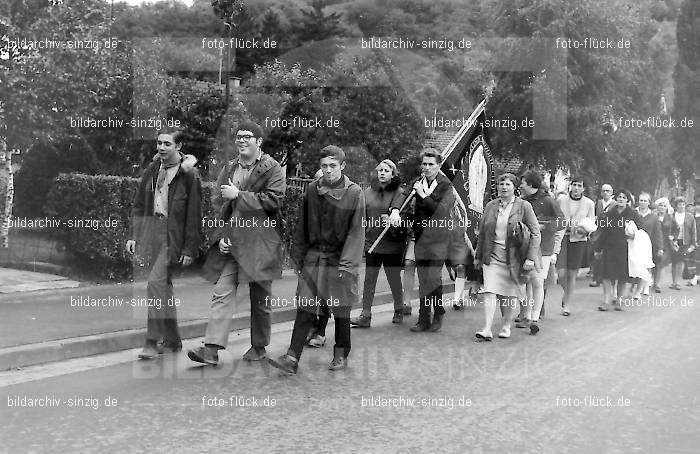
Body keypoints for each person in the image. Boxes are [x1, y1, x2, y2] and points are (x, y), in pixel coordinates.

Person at [188, 121, 285, 365]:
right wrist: (221, 236)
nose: (241, 140)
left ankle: (259, 346)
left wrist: (239, 195)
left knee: (260, 299)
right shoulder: (230, 168)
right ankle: (211, 349)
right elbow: (220, 205)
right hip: (232, 243)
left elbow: (273, 201)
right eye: (238, 136)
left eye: (247, 136)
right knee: (221, 292)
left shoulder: (272, 169)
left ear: (259, 142)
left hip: (260, 244)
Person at [268, 145, 365, 374]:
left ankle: (340, 354)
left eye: (333, 166)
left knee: (341, 309)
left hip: (340, 257)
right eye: (324, 166)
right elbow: (302, 225)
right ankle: (292, 358)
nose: (328, 170)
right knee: (305, 307)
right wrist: (298, 259)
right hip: (314, 257)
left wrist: (348, 265)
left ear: (342, 166)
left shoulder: (354, 193)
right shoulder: (312, 189)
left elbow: (356, 231)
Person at [127, 128, 203, 360]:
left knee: (154, 283)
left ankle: (152, 341)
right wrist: (133, 235)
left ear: (178, 147)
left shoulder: (190, 175)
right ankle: (172, 340)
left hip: (174, 237)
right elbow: (139, 205)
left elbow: (194, 215)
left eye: (167, 144)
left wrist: (190, 248)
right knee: (163, 287)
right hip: (153, 233)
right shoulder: (152, 170)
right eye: (159, 143)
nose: (161, 147)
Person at [390, 149, 455, 333]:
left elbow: (441, 211)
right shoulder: (417, 182)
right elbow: (402, 196)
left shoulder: (446, 185)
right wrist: (395, 210)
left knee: (433, 278)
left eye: (431, 165)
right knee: (424, 279)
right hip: (420, 237)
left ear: (439, 166)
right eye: (424, 164)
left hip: (439, 238)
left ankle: (439, 311)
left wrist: (424, 196)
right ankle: (424, 318)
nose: (426, 168)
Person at [474, 173, 541, 341]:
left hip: (514, 257)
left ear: (514, 187)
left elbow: (535, 233)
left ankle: (505, 325)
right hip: (492, 255)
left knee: (509, 294)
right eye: (501, 184)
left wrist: (530, 258)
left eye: (508, 184)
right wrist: (478, 255)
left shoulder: (523, 206)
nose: (504, 187)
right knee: (489, 290)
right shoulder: (490, 206)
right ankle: (487, 328)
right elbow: (482, 233)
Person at [351, 159, 407, 327]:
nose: (382, 173)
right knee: (369, 280)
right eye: (380, 170)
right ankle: (365, 315)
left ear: (393, 174)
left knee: (394, 279)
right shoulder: (367, 192)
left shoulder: (399, 192)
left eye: (386, 170)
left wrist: (392, 218)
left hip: (391, 244)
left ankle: (398, 308)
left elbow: (402, 214)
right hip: (372, 243)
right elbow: (362, 215)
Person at [516, 171, 565, 335]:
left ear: (531, 185)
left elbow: (562, 221)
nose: (520, 185)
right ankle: (527, 314)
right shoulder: (522, 202)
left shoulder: (548, 201)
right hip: (525, 246)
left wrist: (544, 227)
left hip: (543, 248)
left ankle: (534, 317)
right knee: (526, 282)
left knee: (537, 282)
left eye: (523, 183)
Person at [594, 189, 639, 311]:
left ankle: (619, 300)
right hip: (609, 248)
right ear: (616, 199)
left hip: (625, 249)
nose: (621, 199)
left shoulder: (633, 215)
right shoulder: (609, 214)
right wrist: (598, 249)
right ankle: (606, 301)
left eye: (624, 197)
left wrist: (634, 235)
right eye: (619, 197)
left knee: (622, 277)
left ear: (628, 200)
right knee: (606, 276)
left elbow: (640, 232)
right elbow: (603, 232)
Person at [556, 176, 595, 316]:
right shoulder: (561, 200)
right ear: (570, 186)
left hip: (578, 240)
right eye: (574, 185)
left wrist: (584, 230)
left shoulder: (589, 203)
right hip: (561, 238)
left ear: (583, 188)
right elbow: (555, 216)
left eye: (579, 185)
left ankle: (567, 303)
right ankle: (566, 292)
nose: (576, 188)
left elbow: (592, 223)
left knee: (572, 273)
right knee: (561, 273)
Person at [631, 192, 663, 299]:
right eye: (641, 200)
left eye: (645, 201)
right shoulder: (633, 213)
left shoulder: (653, 217)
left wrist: (660, 248)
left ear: (649, 203)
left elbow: (658, 233)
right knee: (633, 266)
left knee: (644, 266)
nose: (643, 202)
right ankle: (633, 286)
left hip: (646, 246)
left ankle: (639, 291)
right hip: (632, 244)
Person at [589, 184, 615, 287]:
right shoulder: (598, 203)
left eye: (608, 191)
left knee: (608, 256)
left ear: (611, 192)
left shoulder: (615, 204)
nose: (605, 193)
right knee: (597, 255)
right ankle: (596, 278)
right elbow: (594, 216)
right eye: (603, 191)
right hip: (598, 232)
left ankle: (607, 278)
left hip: (610, 232)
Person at [670, 197, 697, 290]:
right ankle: (673, 282)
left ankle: (678, 282)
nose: (681, 206)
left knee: (681, 261)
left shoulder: (690, 216)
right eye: (679, 204)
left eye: (683, 204)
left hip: (685, 242)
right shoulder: (672, 216)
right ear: (676, 206)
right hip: (674, 241)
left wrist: (693, 244)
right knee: (674, 262)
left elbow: (693, 231)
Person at [653, 197, 678, 292]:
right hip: (654, 242)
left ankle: (657, 284)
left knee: (661, 263)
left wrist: (673, 236)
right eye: (661, 205)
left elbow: (677, 229)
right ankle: (652, 281)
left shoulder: (670, 218)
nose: (662, 207)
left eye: (664, 206)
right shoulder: (653, 216)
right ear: (657, 207)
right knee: (654, 263)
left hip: (666, 244)